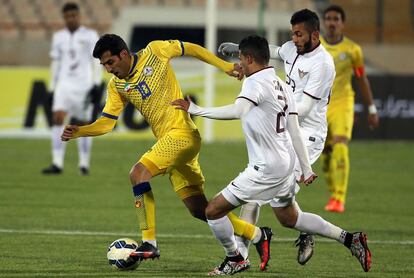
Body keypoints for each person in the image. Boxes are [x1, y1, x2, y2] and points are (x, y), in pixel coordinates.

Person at [60, 34, 271, 266]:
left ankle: (149, 241)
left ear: (123, 54)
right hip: (173, 145)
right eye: (103, 65)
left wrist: (225, 66)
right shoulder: (117, 86)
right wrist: (81, 131)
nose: (108, 69)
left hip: (182, 134)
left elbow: (190, 48)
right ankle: (258, 235)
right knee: (200, 209)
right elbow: (107, 122)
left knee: (137, 173)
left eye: (110, 63)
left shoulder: (155, 51)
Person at [173, 35, 371, 275]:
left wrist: (195, 109)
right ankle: (350, 239)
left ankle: (236, 257)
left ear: (249, 58)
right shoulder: (282, 85)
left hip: (266, 168)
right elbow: (295, 130)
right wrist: (306, 168)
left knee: (213, 211)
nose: (239, 66)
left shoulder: (254, 83)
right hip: (286, 163)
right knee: (289, 217)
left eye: (240, 60)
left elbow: (238, 110)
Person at [219, 9, 335, 266]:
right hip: (285, 128)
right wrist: (239, 48)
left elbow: (303, 108)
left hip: (308, 135)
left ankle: (246, 252)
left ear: (315, 35)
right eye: (292, 33)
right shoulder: (293, 48)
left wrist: (273, 105)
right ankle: (246, 251)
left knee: (265, 192)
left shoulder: (324, 65)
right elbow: (274, 50)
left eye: (299, 34)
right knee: (265, 192)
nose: (294, 39)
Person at [320, 5, 379, 213]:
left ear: (342, 23)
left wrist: (371, 109)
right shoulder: (316, 47)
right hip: (320, 105)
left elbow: (362, 79)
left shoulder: (353, 50)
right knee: (325, 155)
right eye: (328, 18)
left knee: (340, 143)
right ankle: (333, 190)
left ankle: (339, 198)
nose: (332, 22)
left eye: (336, 19)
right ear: (324, 22)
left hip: (343, 103)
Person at [42, 2, 102, 175]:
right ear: (64, 18)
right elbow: (56, 63)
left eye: (74, 15)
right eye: (68, 16)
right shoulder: (59, 37)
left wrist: (96, 84)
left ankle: (83, 164)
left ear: (79, 16)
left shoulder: (90, 35)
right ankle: (57, 163)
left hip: (84, 85)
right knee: (57, 118)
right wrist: (52, 88)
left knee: (82, 124)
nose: (71, 19)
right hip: (64, 84)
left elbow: (96, 61)